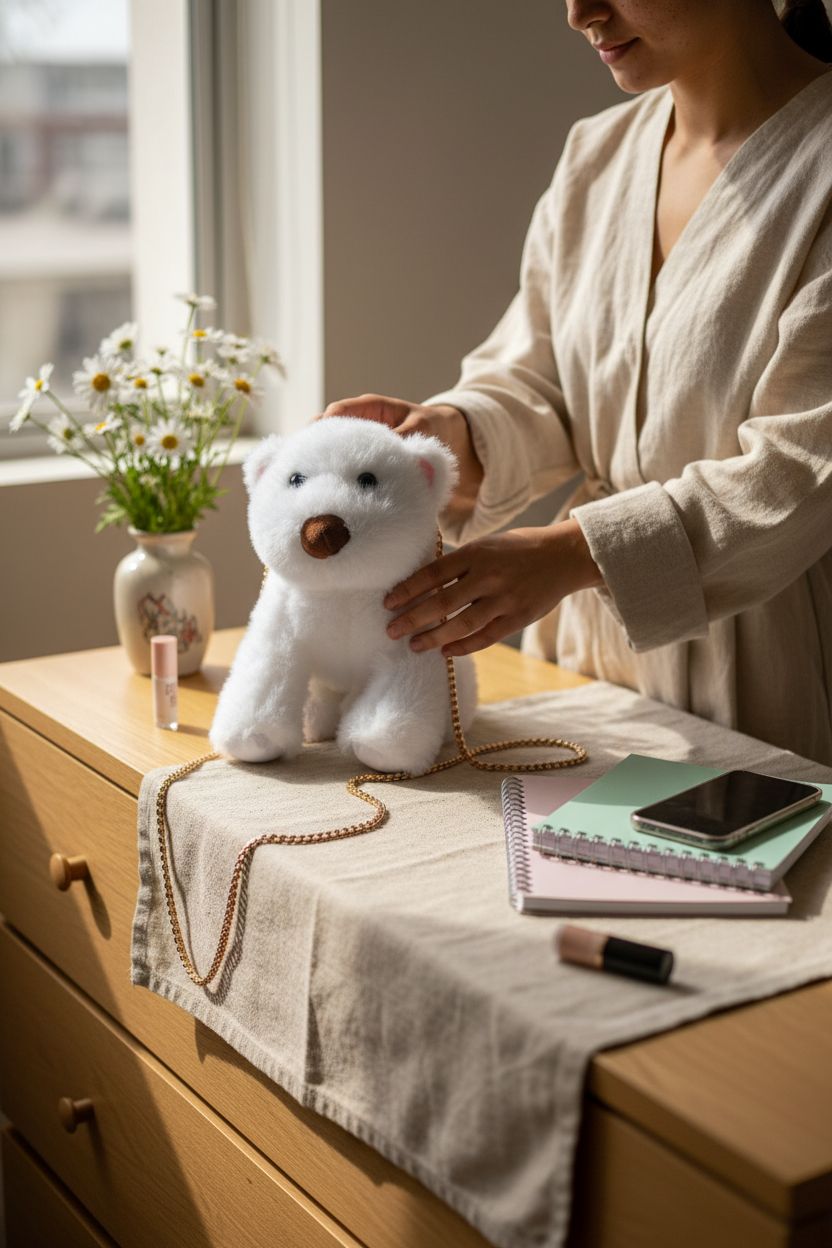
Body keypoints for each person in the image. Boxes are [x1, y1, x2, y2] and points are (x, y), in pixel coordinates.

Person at [322, 0, 832, 764]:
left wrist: (572, 556)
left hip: (770, 678)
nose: (578, 13)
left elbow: (800, 474)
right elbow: (543, 375)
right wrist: (455, 436)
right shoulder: (599, 156)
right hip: (587, 668)